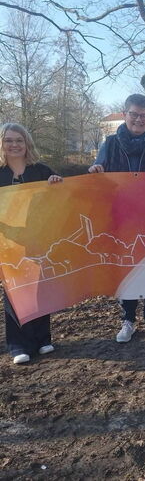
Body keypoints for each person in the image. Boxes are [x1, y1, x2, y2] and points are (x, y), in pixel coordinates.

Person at [89, 93, 145, 343]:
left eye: (144, 115)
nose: (139, 119)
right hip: (121, 218)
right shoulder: (110, 144)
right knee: (126, 268)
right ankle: (127, 319)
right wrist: (95, 171)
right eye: (134, 114)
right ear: (124, 114)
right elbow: (98, 171)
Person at [0, 123, 63, 364]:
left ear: (27, 144)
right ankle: (18, 345)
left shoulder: (41, 170)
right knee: (14, 291)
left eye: (19, 140)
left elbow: (60, 198)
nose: (14, 145)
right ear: (2, 144)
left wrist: (57, 183)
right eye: (8, 140)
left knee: (40, 287)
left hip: (38, 239)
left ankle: (42, 339)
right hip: (8, 243)